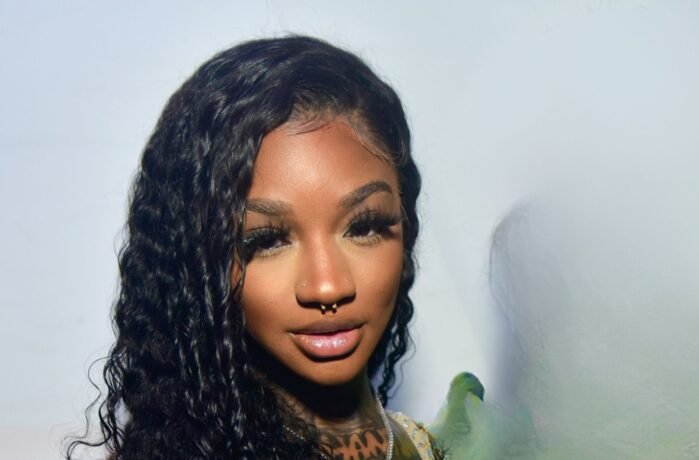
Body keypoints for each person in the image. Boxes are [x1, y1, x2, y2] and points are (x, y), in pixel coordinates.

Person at [66, 35, 442, 460]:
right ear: (199, 264)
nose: (328, 286)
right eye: (267, 241)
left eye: (364, 227)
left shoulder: (429, 443)